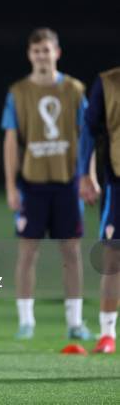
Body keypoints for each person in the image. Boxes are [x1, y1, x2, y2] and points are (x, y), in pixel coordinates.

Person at [1, 27, 91, 340]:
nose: (42, 56)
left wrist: (87, 176)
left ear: (57, 52)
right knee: (27, 252)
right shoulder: (19, 92)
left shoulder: (75, 89)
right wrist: (12, 187)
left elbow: (87, 137)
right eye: (36, 50)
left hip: (67, 183)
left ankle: (75, 322)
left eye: (47, 50)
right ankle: (26, 321)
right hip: (33, 184)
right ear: (30, 54)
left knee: (72, 252)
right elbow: (12, 141)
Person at [78, 66, 120, 354]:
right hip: (118, 180)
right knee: (113, 258)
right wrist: (85, 173)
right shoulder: (108, 82)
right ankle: (107, 333)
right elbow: (89, 131)